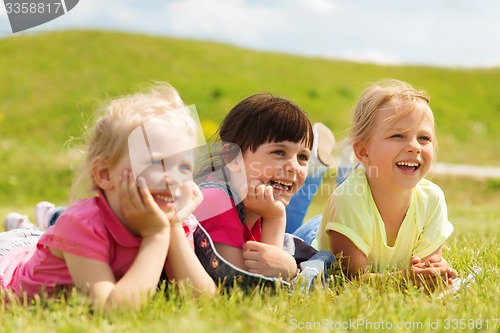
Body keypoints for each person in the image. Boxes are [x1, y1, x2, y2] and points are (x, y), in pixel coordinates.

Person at [1, 83, 216, 308]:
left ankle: (27, 229)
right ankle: (23, 231)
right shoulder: (83, 223)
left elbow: (200, 299)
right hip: (9, 267)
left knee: (35, 238)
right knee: (24, 242)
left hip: (37, 248)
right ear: (105, 174)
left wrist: (171, 228)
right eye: (156, 163)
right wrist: (156, 235)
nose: (173, 179)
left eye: (183, 167)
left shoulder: (171, 220)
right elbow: (111, 309)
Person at [296, 79, 458, 291]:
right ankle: (314, 171)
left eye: (424, 138)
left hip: (352, 217)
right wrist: (404, 280)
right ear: (363, 151)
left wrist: (433, 274)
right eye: (398, 135)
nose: (414, 147)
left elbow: (426, 269)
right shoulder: (347, 201)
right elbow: (348, 280)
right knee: (282, 233)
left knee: (359, 185)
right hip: (317, 234)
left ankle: (348, 166)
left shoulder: (432, 198)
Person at [193, 93, 316, 279]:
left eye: (302, 157)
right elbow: (242, 286)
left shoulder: (256, 207)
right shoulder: (216, 199)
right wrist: (275, 219)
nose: (294, 167)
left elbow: (266, 272)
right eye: (279, 152)